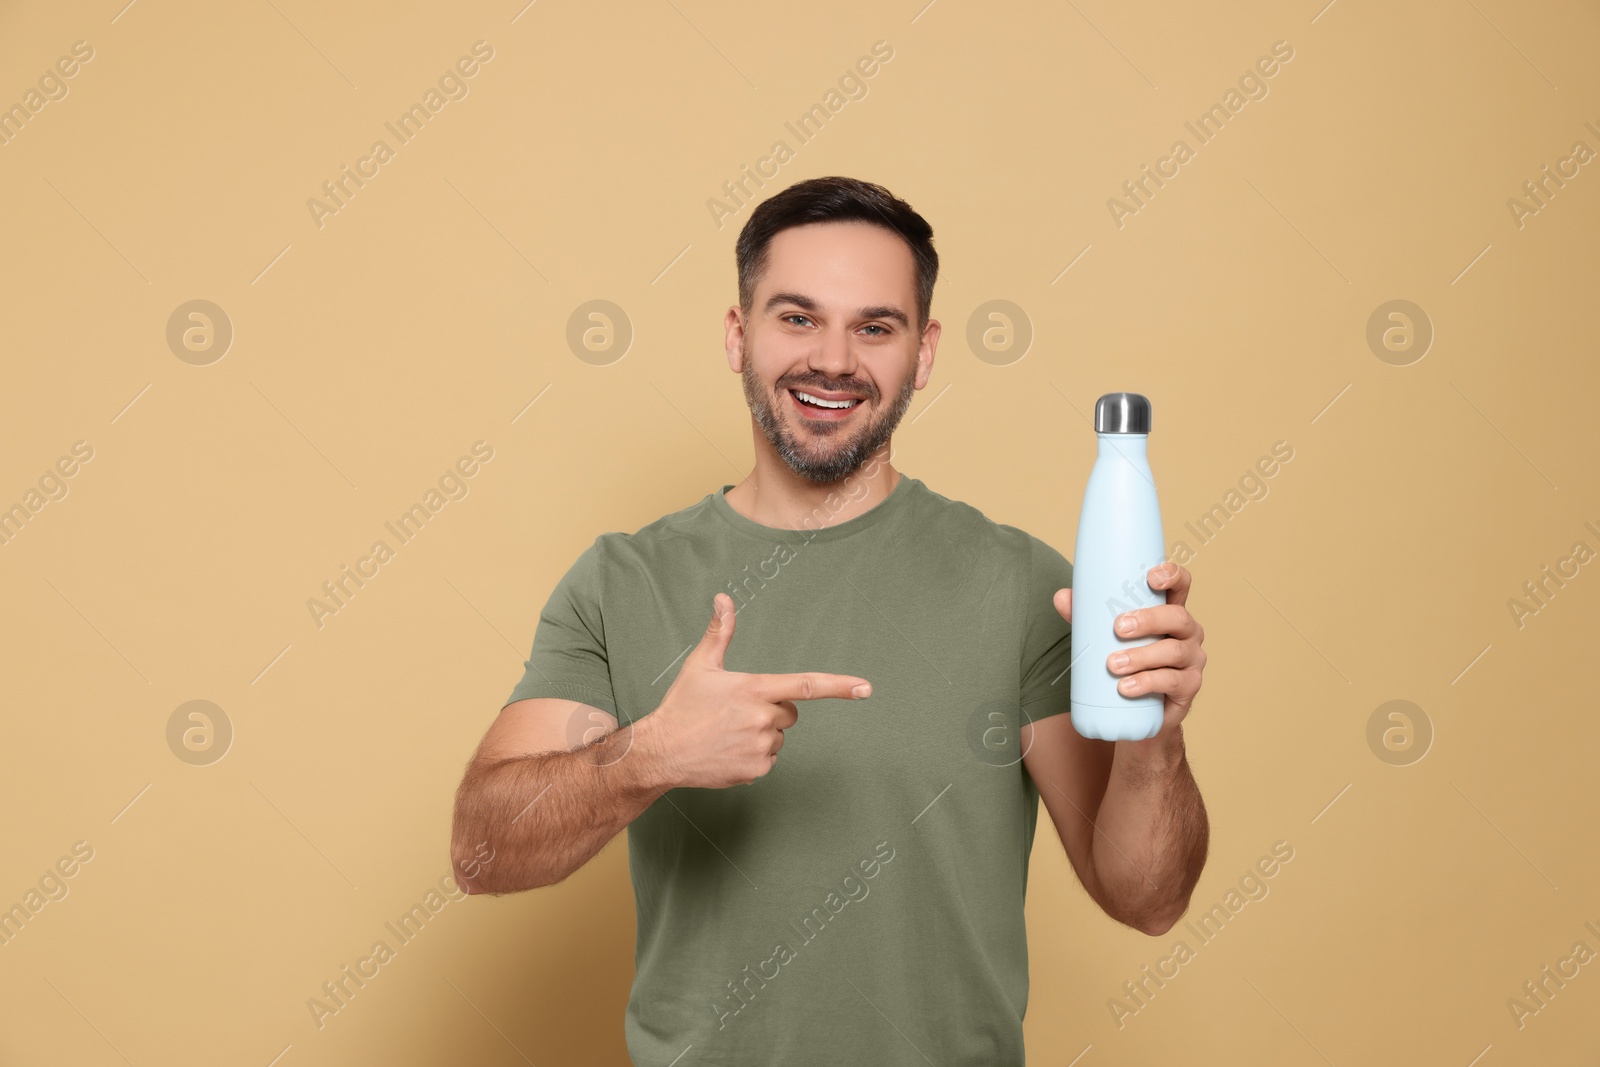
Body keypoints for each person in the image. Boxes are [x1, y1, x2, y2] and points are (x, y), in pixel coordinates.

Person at [450, 175, 1210, 1065]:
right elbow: (481, 850)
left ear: (923, 353)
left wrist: (1156, 740)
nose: (835, 361)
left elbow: (1147, 898)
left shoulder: (1023, 586)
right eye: (797, 318)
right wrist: (650, 754)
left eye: (875, 327)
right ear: (739, 336)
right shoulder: (624, 581)